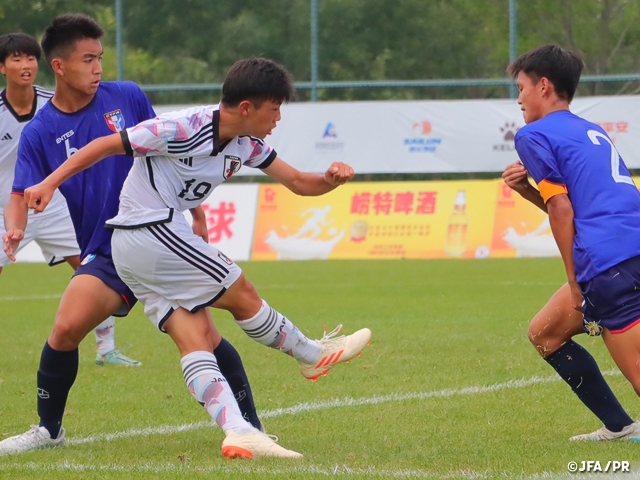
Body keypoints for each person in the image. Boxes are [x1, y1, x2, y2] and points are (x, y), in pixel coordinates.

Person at [20, 56, 372, 459]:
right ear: (246, 108)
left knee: (196, 337)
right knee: (242, 292)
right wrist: (48, 183)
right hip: (148, 230)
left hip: (141, 247)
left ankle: (238, 430)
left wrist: (329, 180)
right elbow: (103, 145)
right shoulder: (181, 128)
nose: (277, 118)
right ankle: (312, 354)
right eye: (274, 109)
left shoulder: (247, 144)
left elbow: (297, 182)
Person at [0, 14, 262, 456]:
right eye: (88, 59)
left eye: (100, 58)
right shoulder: (41, 131)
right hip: (104, 249)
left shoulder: (127, 96)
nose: (98, 67)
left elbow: (169, 152)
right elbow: (21, 192)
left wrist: (195, 212)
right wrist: (15, 226)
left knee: (204, 337)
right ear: (60, 66)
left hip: (158, 237)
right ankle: (49, 430)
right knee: (65, 329)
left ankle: (251, 428)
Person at [505, 44, 640, 441]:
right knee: (544, 333)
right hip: (627, 249)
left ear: (543, 86)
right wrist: (527, 191)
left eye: (522, 87)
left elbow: (563, 211)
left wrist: (576, 280)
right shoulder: (589, 129)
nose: (519, 98)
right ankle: (619, 426)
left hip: (607, 265)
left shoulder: (532, 134)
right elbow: (576, 206)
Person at [0, 33, 141, 367]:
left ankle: (106, 350)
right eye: (17, 59)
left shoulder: (58, 103)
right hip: (9, 209)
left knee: (91, 270)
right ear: (2, 67)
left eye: (31, 58)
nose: (26, 66)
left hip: (55, 207)